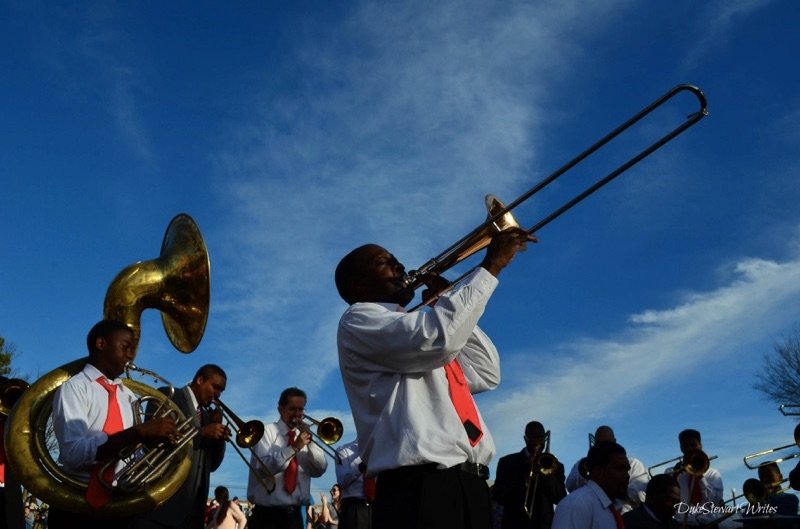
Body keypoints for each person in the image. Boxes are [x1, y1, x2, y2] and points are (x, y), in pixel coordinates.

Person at [335, 228, 535, 529]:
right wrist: (490, 267)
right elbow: (440, 339)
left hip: (469, 483)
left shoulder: (413, 331)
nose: (399, 266)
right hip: (419, 488)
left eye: (396, 260)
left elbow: (486, 371)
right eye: (383, 262)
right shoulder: (359, 319)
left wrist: (447, 300)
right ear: (358, 285)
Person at [50, 319, 179, 529]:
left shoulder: (128, 396)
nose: (131, 355)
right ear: (101, 344)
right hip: (77, 505)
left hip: (119, 506)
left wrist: (156, 442)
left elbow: (133, 456)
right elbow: (74, 454)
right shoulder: (74, 388)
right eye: (125, 347)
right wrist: (138, 432)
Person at [135, 364, 229, 529]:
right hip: (161, 509)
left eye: (221, 391)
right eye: (215, 387)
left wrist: (219, 437)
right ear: (200, 380)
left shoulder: (208, 417)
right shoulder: (169, 395)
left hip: (193, 515)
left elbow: (212, 465)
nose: (218, 395)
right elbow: (154, 440)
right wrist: (202, 432)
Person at [246, 387, 328, 529]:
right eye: (292, 409)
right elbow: (264, 468)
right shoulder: (265, 432)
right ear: (280, 409)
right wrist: (294, 448)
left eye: (301, 410)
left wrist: (312, 443)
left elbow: (319, 469)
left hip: (294, 518)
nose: (297, 414)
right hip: (266, 517)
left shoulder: (304, 437)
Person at [493, 421, 567, 529]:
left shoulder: (556, 466)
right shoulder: (507, 462)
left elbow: (560, 498)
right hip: (514, 524)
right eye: (533, 437)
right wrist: (525, 475)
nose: (537, 442)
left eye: (540, 438)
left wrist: (544, 474)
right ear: (525, 438)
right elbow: (498, 495)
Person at [566, 425, 649, 513]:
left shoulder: (634, 463)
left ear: (615, 441)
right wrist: (584, 476)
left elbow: (641, 495)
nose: (604, 447)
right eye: (600, 443)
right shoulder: (583, 462)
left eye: (607, 443)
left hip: (625, 517)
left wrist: (614, 488)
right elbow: (569, 485)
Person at [551, 441, 631, 529]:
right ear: (598, 472)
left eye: (627, 470)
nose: (627, 476)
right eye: (619, 469)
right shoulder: (576, 504)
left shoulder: (611, 509)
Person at [670, 429, 723, 528]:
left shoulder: (713, 474)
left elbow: (713, 502)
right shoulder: (673, 472)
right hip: (680, 524)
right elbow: (668, 501)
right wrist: (673, 478)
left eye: (693, 445)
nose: (689, 448)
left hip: (708, 525)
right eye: (685, 446)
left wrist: (700, 476)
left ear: (700, 446)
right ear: (681, 448)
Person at [334, 439, 372, 529]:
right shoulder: (343, 450)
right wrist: (360, 465)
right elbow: (342, 481)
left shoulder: (382, 448)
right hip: (354, 508)